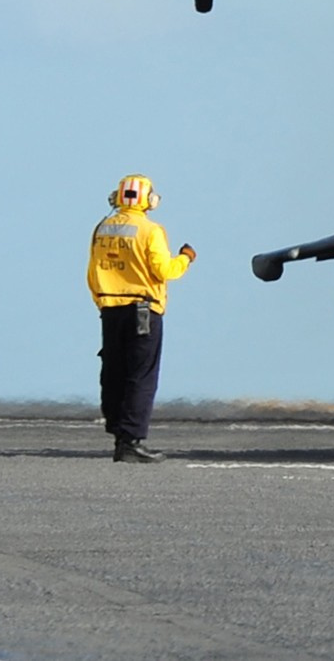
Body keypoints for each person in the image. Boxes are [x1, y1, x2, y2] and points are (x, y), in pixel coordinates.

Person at [87, 174, 195, 463]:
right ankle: (131, 441)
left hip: (109, 309)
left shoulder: (102, 227)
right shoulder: (150, 230)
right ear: (149, 200)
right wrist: (185, 258)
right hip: (143, 311)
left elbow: (92, 272)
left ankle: (117, 431)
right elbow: (165, 271)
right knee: (141, 375)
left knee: (113, 372)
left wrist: (103, 302)